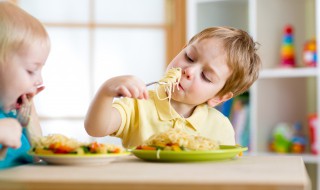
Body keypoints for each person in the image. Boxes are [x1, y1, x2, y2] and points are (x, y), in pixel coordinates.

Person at [85, 26, 261, 148]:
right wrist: (107, 91)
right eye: (190, 57)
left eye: (206, 76)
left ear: (219, 97)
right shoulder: (138, 105)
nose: (189, 71)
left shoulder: (220, 126)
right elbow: (96, 128)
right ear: (182, 49)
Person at [0, 1, 50, 169]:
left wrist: (31, 123)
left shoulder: (12, 114)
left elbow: (37, 160)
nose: (39, 81)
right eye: (31, 71)